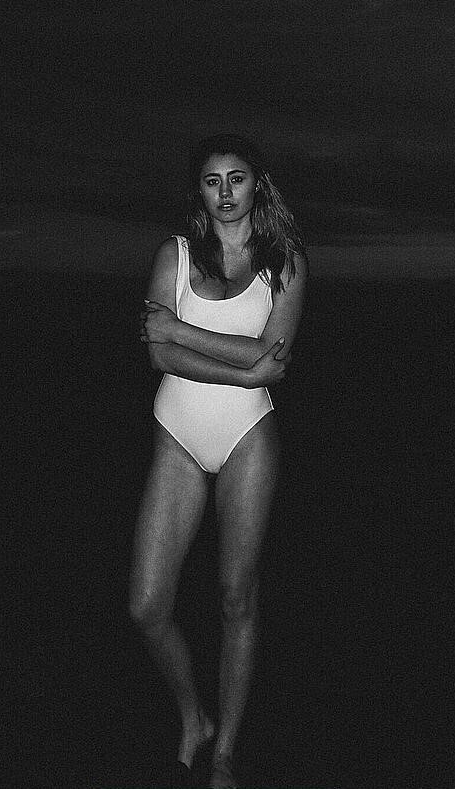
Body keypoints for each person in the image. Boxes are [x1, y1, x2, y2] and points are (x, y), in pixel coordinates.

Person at [129, 133, 307, 788]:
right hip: (176, 434)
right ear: (199, 191)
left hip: (247, 438)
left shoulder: (285, 261)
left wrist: (181, 330)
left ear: (258, 184)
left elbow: (275, 358)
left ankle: (225, 750)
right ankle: (193, 717)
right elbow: (159, 356)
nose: (226, 192)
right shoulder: (173, 255)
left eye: (237, 178)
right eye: (212, 181)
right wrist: (244, 366)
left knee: (237, 597)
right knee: (147, 606)